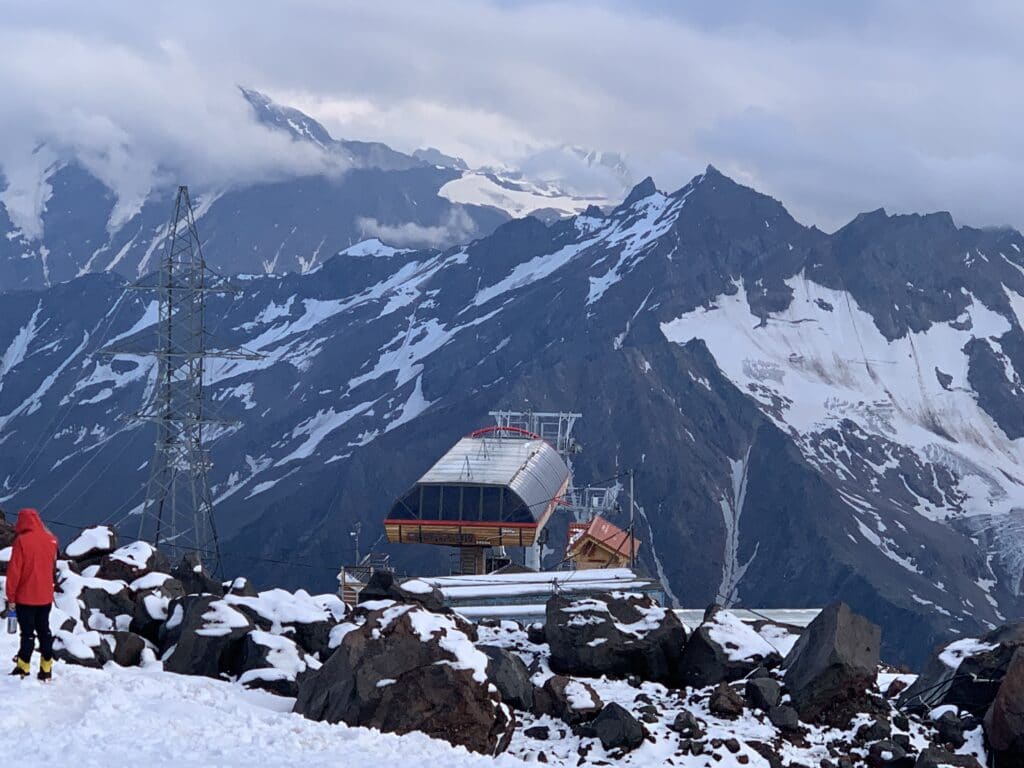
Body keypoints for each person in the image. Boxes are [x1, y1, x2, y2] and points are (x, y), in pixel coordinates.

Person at [5, 508, 57, 681]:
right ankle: (46, 668)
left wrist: (11, 596)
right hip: (45, 596)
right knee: (44, 631)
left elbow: (14, 572)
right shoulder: (51, 540)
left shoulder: (22, 541)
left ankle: (23, 667)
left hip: (25, 597)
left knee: (27, 633)